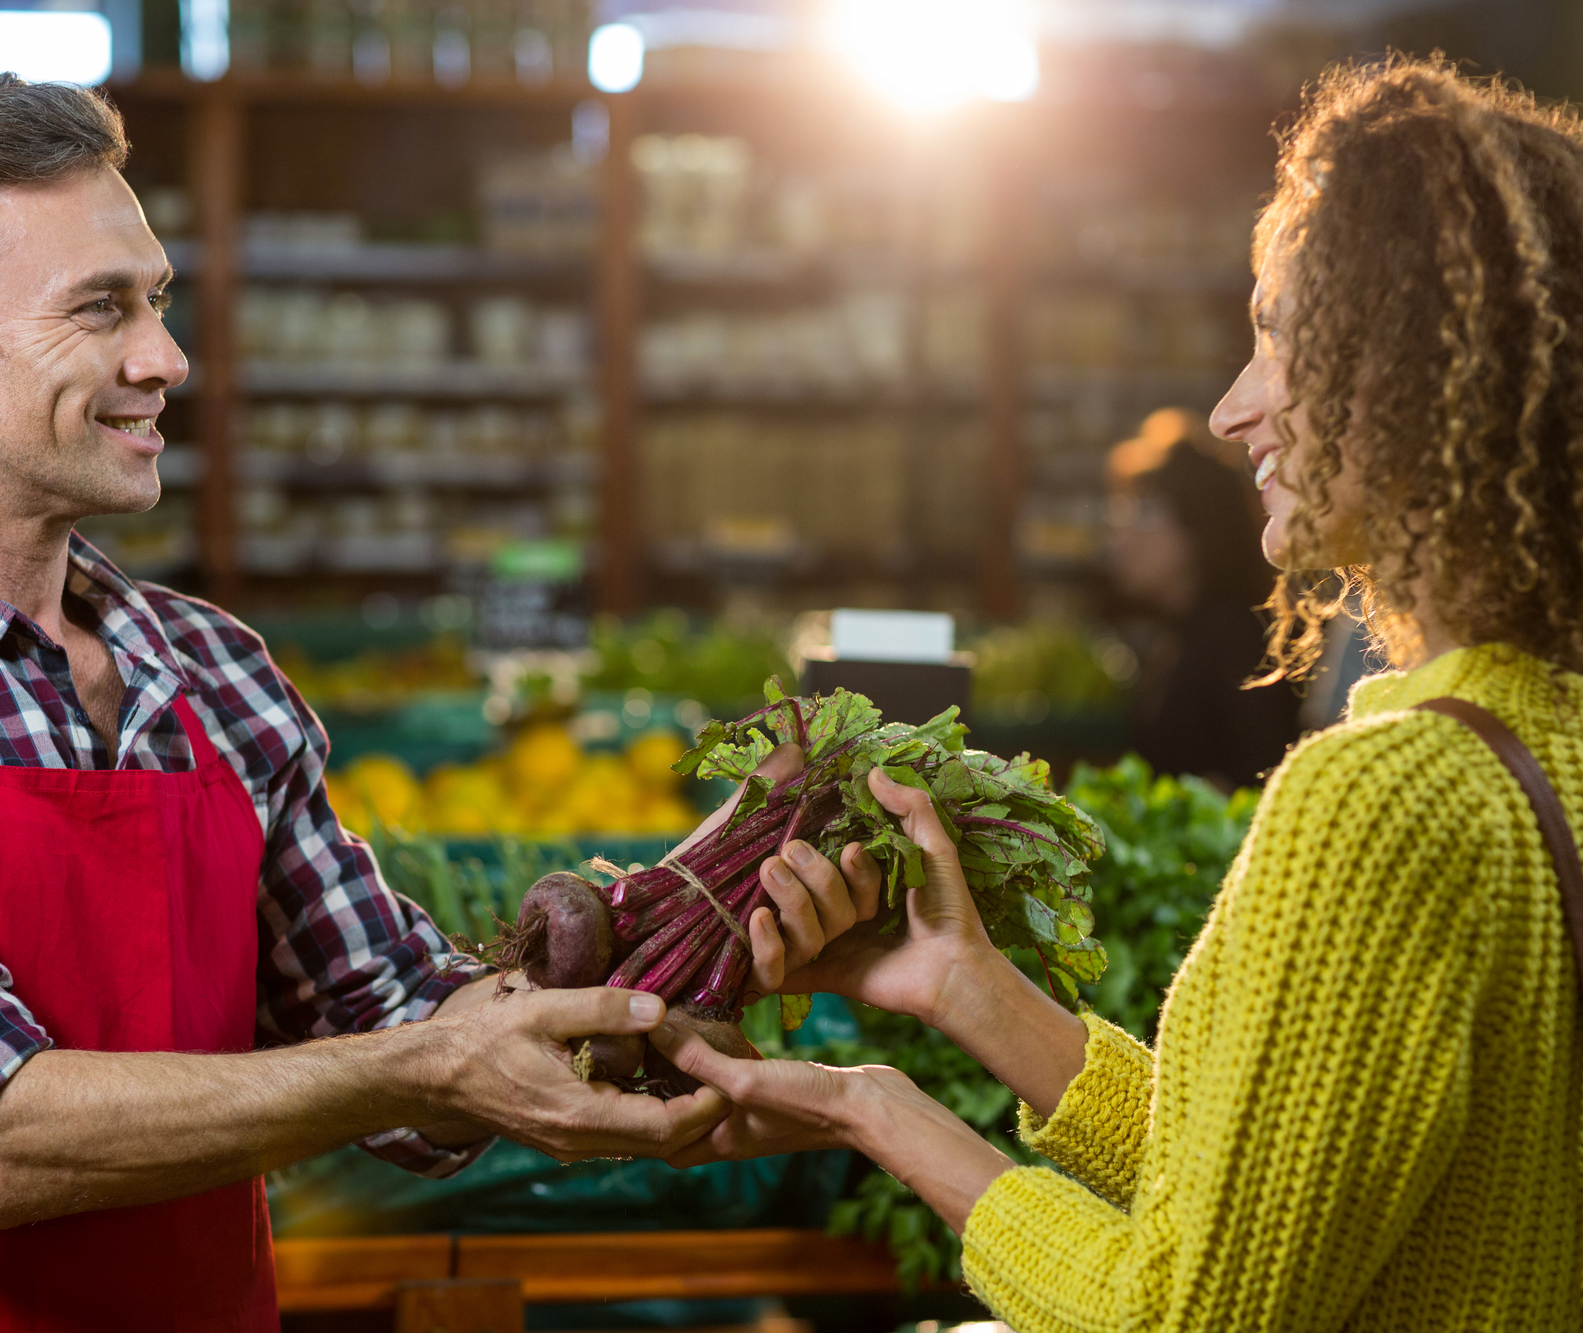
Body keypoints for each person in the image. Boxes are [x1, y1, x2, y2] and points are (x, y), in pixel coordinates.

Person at [0, 70, 877, 1330]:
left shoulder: (209, 671)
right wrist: (428, 1062)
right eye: (100, 310)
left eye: (155, 300)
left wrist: (696, 927)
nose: (167, 356)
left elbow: (396, 1013)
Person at [651, 57, 1583, 1330]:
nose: (1231, 409)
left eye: (1275, 336)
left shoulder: (1382, 799)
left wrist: (875, 1109)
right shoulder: (1548, 750)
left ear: (1407, 380)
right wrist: (961, 989)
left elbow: (1176, 1318)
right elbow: (1255, 1197)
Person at [1104, 407, 1299, 788]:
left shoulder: (1233, 639)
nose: (1119, 534)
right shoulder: (1187, 630)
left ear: (1196, 528)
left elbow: (1255, 779)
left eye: (1142, 512)